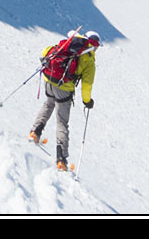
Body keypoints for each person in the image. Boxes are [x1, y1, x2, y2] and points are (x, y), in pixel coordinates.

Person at [29, 30, 100, 171]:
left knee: (48, 104)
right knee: (62, 121)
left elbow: (46, 51)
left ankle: (35, 132)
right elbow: (86, 86)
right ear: (95, 45)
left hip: (49, 80)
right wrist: (87, 102)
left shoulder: (70, 44)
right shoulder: (89, 60)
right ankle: (61, 159)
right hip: (63, 87)